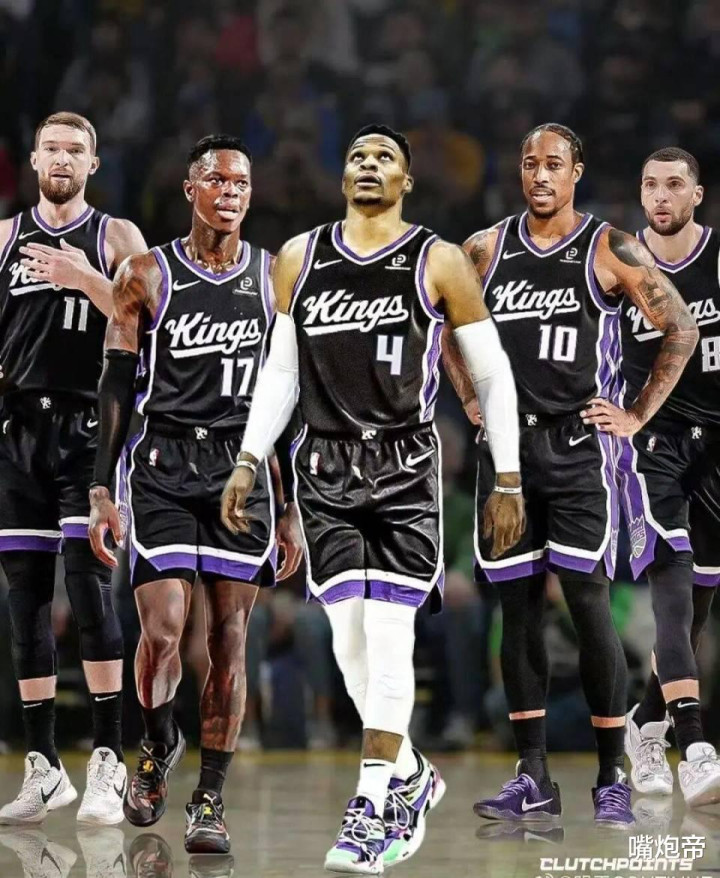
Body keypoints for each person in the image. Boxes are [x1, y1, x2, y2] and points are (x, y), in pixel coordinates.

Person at [221, 124, 524, 874]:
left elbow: (493, 374)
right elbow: (281, 372)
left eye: (385, 156)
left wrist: (508, 475)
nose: (368, 163)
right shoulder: (300, 257)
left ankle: (369, 806)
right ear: (342, 175)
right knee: (348, 643)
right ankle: (413, 775)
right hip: (323, 467)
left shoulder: (438, 259)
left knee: (389, 636)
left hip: (403, 466)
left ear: (406, 181)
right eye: (356, 154)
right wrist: (249, 458)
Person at [443, 123, 698, 827]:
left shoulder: (608, 246)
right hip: (509, 455)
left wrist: (637, 415)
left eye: (553, 163)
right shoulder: (484, 249)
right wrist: (469, 398)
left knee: (588, 605)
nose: (540, 174)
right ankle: (532, 776)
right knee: (519, 610)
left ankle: (611, 774)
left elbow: (680, 328)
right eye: (530, 163)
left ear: (576, 171)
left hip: (581, 450)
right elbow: (444, 323)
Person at [87, 134, 303, 854]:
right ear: (191, 189)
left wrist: (293, 506)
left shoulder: (274, 277)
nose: (230, 192)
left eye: (241, 182)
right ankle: (156, 743)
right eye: (216, 180)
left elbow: (287, 397)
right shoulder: (146, 273)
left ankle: (209, 800)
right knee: (163, 628)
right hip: (163, 463)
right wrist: (101, 487)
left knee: (229, 637)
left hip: (241, 468)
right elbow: (116, 384)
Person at [0, 112, 147, 825]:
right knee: (24, 599)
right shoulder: (4, 237)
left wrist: (82, 277)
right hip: (17, 432)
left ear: (94, 164)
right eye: (52, 148)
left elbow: (147, 322)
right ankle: (43, 765)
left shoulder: (116, 237)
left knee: (89, 589)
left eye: (75, 150)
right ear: (34, 160)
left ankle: (109, 759)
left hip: (90, 429)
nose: (62, 158)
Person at [618, 147, 720, 806]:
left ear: (696, 195)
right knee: (673, 585)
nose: (661, 195)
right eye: (650, 184)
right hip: (649, 443)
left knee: (698, 607)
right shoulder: (619, 262)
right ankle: (695, 746)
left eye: (674, 185)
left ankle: (643, 726)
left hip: (715, 445)